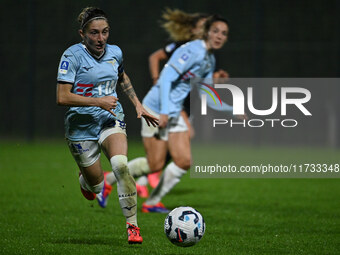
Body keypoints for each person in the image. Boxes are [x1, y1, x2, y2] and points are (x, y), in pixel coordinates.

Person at [98, 14, 245, 213]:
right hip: (156, 108)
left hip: (173, 111)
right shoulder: (192, 50)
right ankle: (107, 181)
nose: (219, 36)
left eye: (224, 33)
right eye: (216, 31)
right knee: (155, 163)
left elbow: (207, 95)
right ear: (207, 32)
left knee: (184, 161)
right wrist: (165, 112)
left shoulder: (209, 59)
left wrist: (231, 109)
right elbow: (166, 78)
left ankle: (151, 202)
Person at [56, 7, 158, 244]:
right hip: (80, 127)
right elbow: (62, 97)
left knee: (120, 165)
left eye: (105, 32)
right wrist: (96, 101)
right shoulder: (71, 57)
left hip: (110, 118)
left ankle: (132, 227)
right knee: (97, 188)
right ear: (83, 34)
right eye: (94, 33)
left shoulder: (115, 52)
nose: (100, 38)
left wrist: (137, 103)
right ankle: (86, 180)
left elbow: (121, 76)